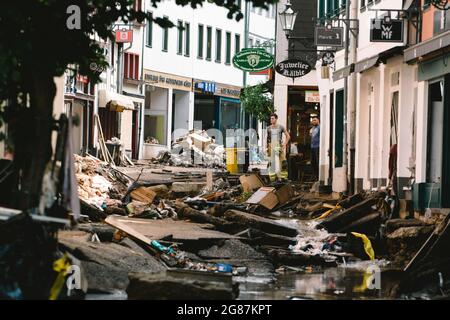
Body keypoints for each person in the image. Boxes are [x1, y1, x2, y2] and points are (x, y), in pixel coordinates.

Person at [266, 113, 290, 181]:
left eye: (273, 118)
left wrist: (284, 145)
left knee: (283, 162)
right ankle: (272, 179)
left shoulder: (281, 127)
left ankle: (283, 178)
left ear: (276, 119)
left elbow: (288, 136)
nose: (271, 120)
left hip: (278, 145)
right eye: (270, 119)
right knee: (272, 163)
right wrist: (266, 148)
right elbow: (266, 139)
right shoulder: (268, 128)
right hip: (271, 145)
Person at [310, 115, 320, 181]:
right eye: (313, 120)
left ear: (318, 120)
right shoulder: (313, 128)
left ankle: (318, 176)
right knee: (313, 162)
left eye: (315, 120)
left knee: (317, 162)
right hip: (312, 147)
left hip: (318, 147)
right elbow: (311, 136)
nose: (313, 121)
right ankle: (315, 176)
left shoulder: (320, 127)